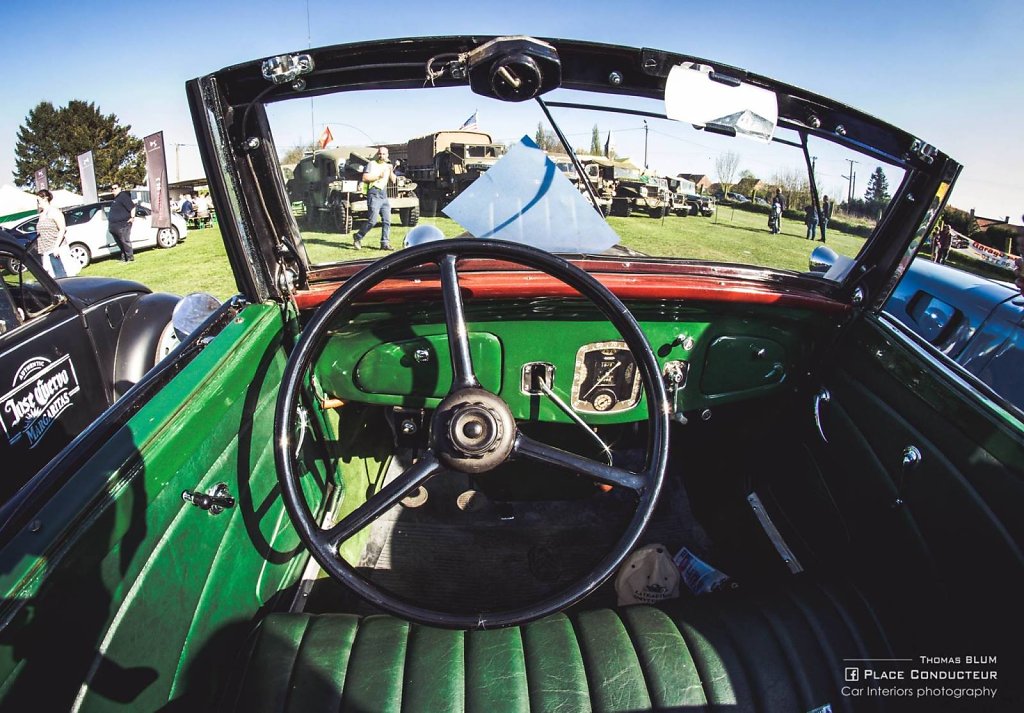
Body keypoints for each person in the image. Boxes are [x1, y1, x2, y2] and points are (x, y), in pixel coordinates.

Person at [352, 146, 395, 250]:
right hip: (374, 194)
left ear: (387, 155)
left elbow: (393, 181)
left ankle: (384, 243)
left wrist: (391, 170)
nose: (382, 156)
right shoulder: (372, 164)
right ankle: (358, 237)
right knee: (372, 221)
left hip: (384, 195)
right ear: (377, 154)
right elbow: (364, 177)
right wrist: (378, 176)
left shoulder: (387, 166)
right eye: (380, 154)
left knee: (387, 221)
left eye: (384, 154)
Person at [34, 190, 68, 278]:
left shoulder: (54, 212)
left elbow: (62, 229)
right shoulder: (41, 214)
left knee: (61, 277)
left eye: (39, 201)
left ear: (45, 199)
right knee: (51, 279)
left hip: (55, 250)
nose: (38, 203)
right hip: (45, 250)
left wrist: (56, 247)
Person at [107, 184, 136, 262]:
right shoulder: (116, 199)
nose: (113, 190)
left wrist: (132, 218)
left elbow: (132, 207)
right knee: (120, 243)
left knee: (125, 241)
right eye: (112, 189)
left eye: (115, 188)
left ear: (119, 188)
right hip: (114, 226)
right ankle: (124, 258)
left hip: (123, 224)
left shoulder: (123, 196)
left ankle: (130, 258)